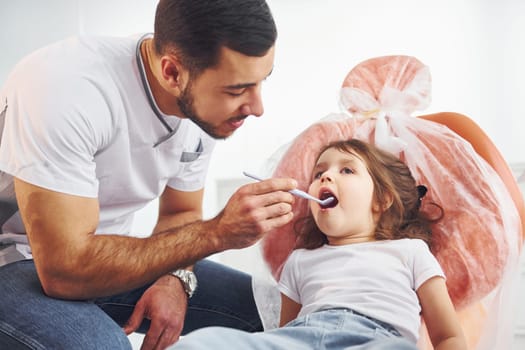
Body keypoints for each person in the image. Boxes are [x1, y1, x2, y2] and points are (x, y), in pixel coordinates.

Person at [0, 1, 298, 349]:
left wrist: (176, 279)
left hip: (96, 258)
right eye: (236, 90)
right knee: (105, 346)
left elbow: (180, 213)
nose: (257, 107)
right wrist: (219, 232)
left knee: (272, 312)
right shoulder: (65, 88)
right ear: (172, 73)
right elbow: (64, 271)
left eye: (261, 81)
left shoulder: (202, 108)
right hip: (20, 260)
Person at [171, 139, 468, 349]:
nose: (326, 175)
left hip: (378, 340)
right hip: (300, 338)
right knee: (204, 342)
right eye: (318, 173)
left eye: (347, 170)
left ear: (382, 199)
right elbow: (283, 333)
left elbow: (447, 336)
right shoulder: (300, 260)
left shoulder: (410, 251)